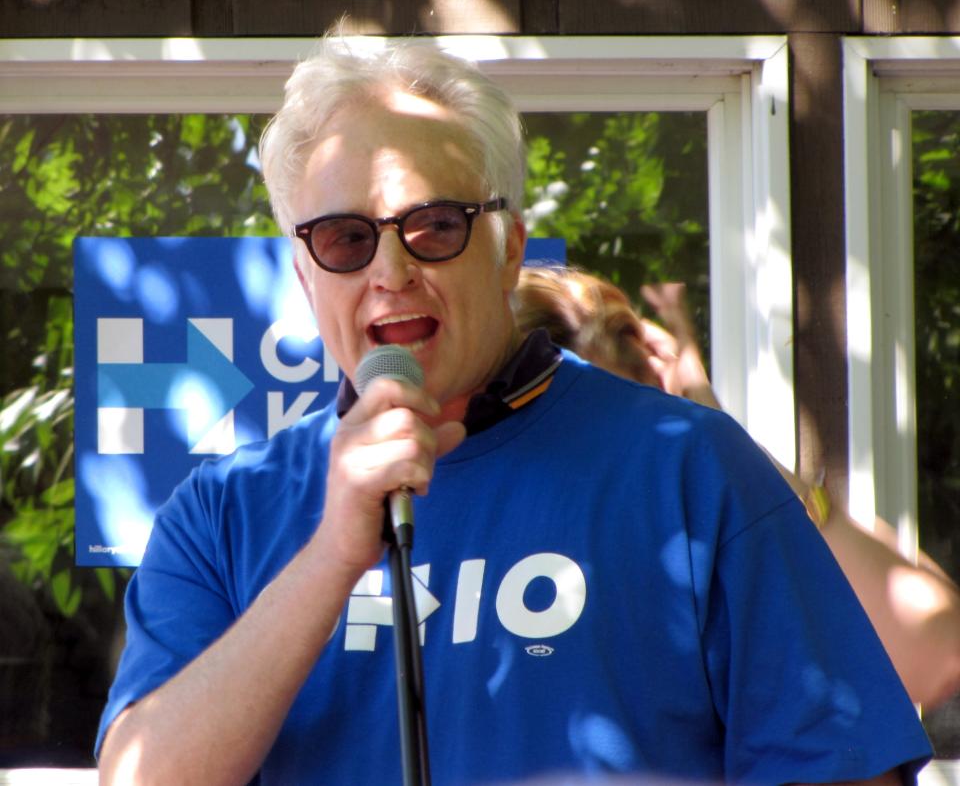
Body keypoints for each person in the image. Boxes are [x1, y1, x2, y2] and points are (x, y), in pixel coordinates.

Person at [96, 38, 932, 786]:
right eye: (346, 240)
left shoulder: (690, 465)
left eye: (434, 226)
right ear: (308, 277)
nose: (390, 270)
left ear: (509, 250)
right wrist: (328, 559)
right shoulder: (224, 510)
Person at [515, 265, 960, 712]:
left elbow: (936, 650)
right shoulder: (463, 545)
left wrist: (712, 425)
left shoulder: (696, 544)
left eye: (642, 413)